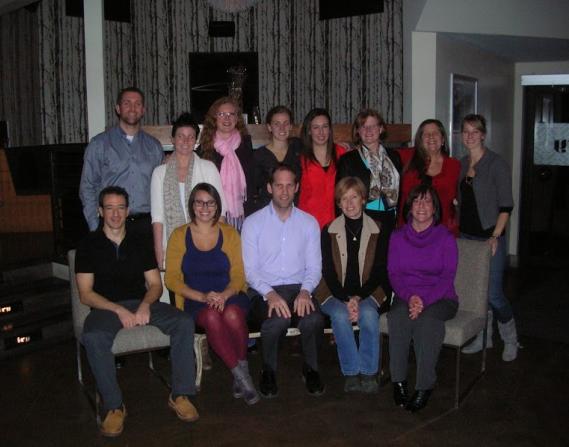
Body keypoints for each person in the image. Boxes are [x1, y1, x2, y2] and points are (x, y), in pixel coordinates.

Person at [75, 186, 198, 438]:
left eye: (120, 208)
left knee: (184, 322)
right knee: (94, 337)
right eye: (109, 208)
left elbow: (155, 285)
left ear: (128, 210)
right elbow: (85, 294)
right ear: (100, 211)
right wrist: (118, 309)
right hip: (105, 308)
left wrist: (144, 305)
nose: (115, 214)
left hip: (141, 303)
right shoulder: (88, 245)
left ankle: (180, 394)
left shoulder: (139, 241)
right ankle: (114, 406)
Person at [165, 183, 259, 405]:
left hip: (229, 295)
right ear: (192, 205)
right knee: (211, 316)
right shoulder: (179, 235)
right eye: (199, 202)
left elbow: (239, 275)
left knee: (232, 314)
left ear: (217, 206)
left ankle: (241, 371)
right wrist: (203, 297)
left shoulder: (230, 233)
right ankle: (242, 377)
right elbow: (171, 279)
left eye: (210, 203)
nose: (205, 208)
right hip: (196, 300)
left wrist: (224, 295)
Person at [241, 164, 325, 398]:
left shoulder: (309, 223)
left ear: (296, 188)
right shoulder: (253, 223)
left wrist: (306, 291)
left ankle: (311, 368)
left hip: (299, 288)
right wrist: (270, 294)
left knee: (313, 319)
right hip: (263, 290)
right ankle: (268, 370)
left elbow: (314, 267)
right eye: (279, 185)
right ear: (270, 188)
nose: (284, 191)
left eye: (289, 185)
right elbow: (250, 271)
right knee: (277, 321)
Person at [387, 185, 459, 412]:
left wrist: (423, 301)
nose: (421, 206)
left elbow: (447, 277)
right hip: (406, 295)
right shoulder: (397, 237)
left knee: (428, 322)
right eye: (416, 201)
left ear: (435, 208)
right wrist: (411, 297)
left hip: (441, 297)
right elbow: (394, 274)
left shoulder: (446, 238)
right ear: (409, 207)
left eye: (427, 201)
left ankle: (424, 386)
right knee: (397, 317)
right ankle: (398, 381)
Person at [314, 177, 389, 393]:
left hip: (370, 290)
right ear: (338, 203)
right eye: (343, 199)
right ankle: (351, 371)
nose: (349, 203)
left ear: (363, 199)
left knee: (369, 314)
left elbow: (380, 270)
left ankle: (368, 372)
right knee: (339, 315)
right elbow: (328, 272)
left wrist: (358, 298)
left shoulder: (379, 229)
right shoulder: (328, 230)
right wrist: (346, 299)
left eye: (354, 197)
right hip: (333, 291)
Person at [458, 114, 519, 361]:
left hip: (490, 239)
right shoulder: (462, 163)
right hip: (466, 237)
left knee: (493, 294)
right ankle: (485, 338)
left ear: (483, 134)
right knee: (476, 295)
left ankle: (510, 339)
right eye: (466, 131)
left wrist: (495, 236)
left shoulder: (496, 164)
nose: (470, 136)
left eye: (475, 131)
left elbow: (506, 205)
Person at [79, 87, 163, 239]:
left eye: (137, 104)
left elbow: (161, 188)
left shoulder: (154, 146)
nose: (132, 108)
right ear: (118, 108)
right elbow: (88, 187)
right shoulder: (99, 144)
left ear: (143, 110)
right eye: (127, 103)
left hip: (145, 225)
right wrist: (94, 226)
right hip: (111, 225)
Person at [150, 112, 226, 269]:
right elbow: (157, 217)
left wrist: (221, 247)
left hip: (206, 244)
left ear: (196, 141)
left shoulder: (208, 168)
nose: (185, 141)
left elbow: (220, 211)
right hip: (172, 245)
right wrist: (158, 251)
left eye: (191, 137)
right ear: (172, 139)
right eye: (180, 136)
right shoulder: (159, 173)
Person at [336, 108, 402, 239]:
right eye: (363, 126)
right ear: (358, 131)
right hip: (361, 218)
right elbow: (340, 194)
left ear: (381, 129)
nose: (368, 130)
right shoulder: (348, 159)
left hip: (390, 219)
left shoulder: (394, 157)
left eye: (373, 126)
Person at [196, 96, 255, 230]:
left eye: (231, 114)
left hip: (244, 214)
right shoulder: (204, 149)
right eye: (222, 114)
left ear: (237, 118)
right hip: (213, 214)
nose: (227, 118)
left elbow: (251, 181)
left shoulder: (246, 144)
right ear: (214, 118)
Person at [399, 119, 460, 233]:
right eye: (426, 134)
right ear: (420, 140)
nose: (431, 136)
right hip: (408, 231)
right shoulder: (406, 158)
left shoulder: (454, 166)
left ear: (443, 139)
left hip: (443, 231)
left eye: (435, 133)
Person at [298, 108, 347, 229]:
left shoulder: (342, 153)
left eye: (325, 126)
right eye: (316, 127)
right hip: (308, 223)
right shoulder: (300, 158)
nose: (321, 132)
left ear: (330, 130)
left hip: (337, 223)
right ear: (309, 131)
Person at [251, 105, 302, 212]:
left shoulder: (299, 149)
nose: (282, 128)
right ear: (269, 127)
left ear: (291, 126)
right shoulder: (259, 155)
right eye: (277, 124)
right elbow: (253, 189)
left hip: (294, 211)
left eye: (286, 123)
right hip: (266, 211)